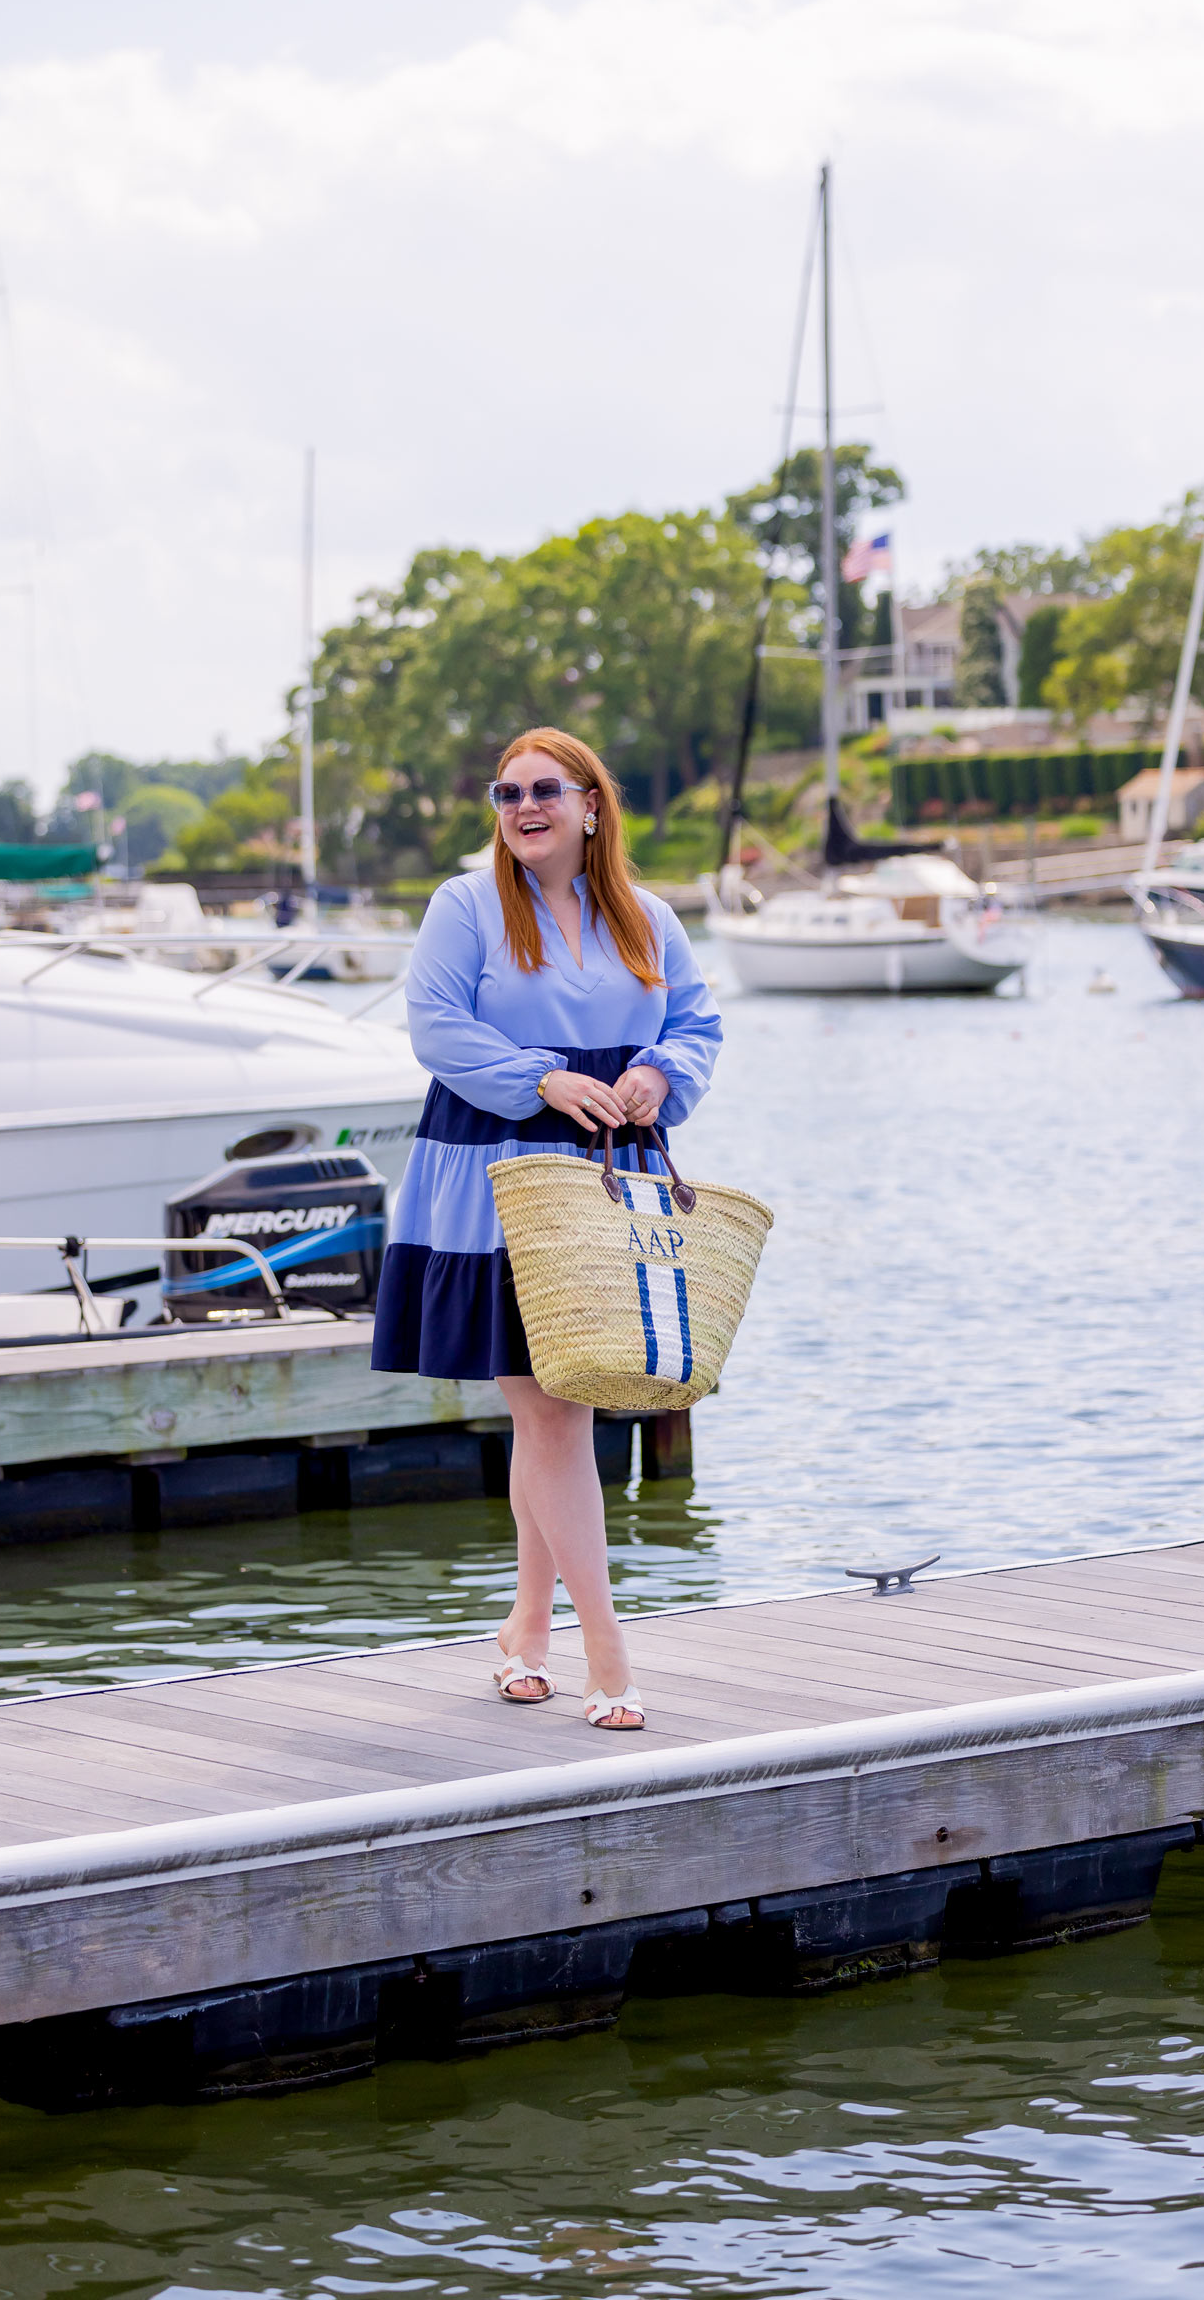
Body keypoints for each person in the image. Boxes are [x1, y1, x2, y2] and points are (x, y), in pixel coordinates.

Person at [372, 726, 722, 1730]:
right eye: (506, 791)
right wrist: (540, 1078)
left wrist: (659, 1074)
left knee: (551, 1411)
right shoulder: (464, 905)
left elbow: (696, 1024)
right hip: (490, 1175)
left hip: (610, 1178)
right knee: (554, 1410)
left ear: (590, 804)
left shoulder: (649, 918)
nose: (523, 807)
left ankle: (528, 1625)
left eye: (544, 790)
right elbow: (434, 1026)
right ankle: (605, 1648)